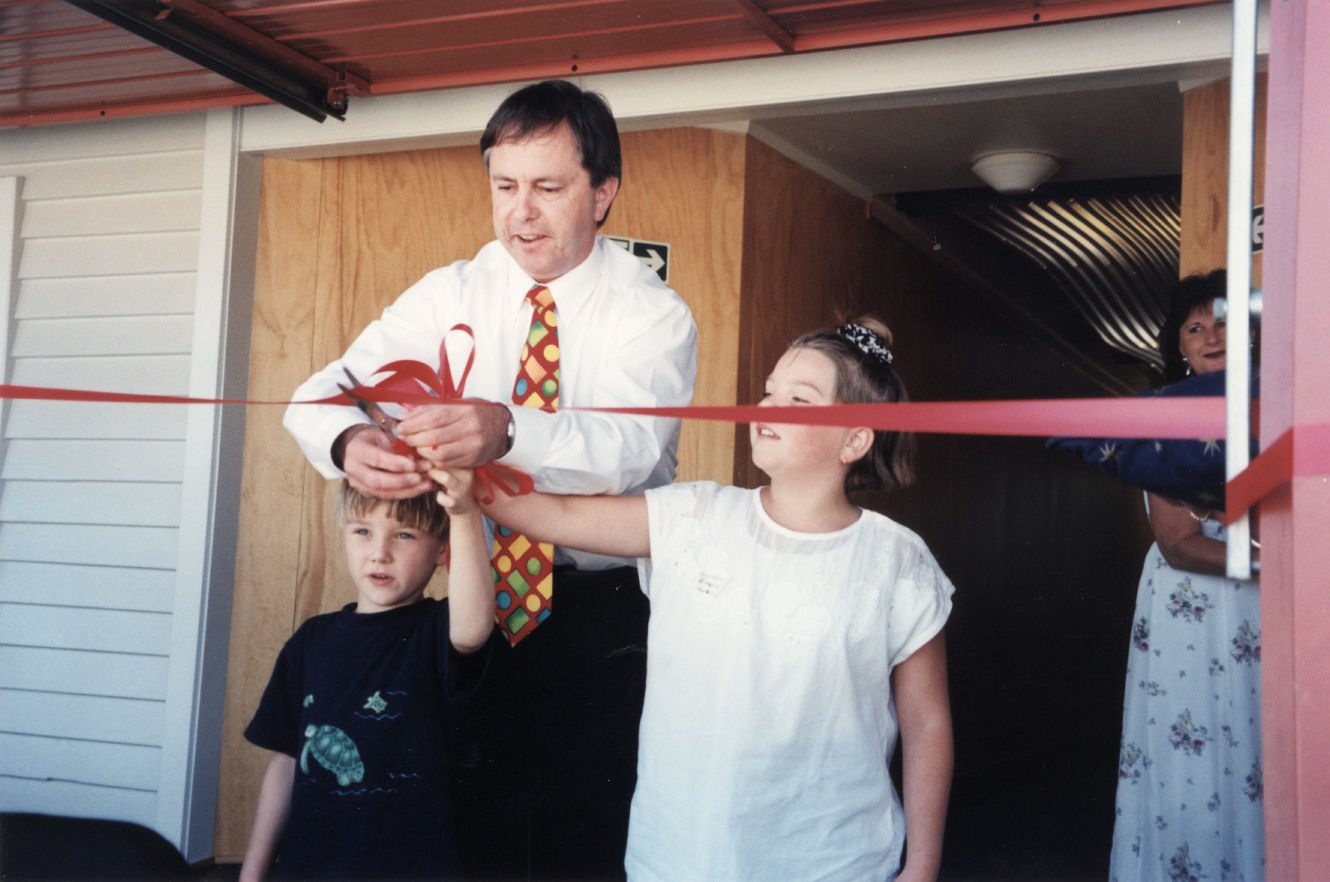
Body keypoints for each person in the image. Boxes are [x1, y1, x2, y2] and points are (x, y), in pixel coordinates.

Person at [282, 79, 698, 879]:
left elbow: (632, 449)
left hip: (596, 615)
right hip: (469, 606)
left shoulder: (652, 313)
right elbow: (319, 392)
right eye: (505, 188)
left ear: (603, 193)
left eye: (548, 188)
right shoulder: (454, 291)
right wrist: (347, 441)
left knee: (585, 836)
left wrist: (508, 427)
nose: (521, 213)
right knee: (465, 828)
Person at [445, 317, 954, 882]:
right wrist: (460, 468)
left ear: (855, 439)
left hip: (835, 862)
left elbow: (927, 724)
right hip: (681, 858)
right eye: (768, 391)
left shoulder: (897, 561)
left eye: (798, 399)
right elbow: (553, 515)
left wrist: (923, 866)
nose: (767, 406)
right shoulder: (693, 515)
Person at [238, 478, 493, 881]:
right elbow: (285, 763)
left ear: (442, 549)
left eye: (404, 534)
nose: (380, 554)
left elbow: (474, 628)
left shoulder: (437, 630)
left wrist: (463, 513)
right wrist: (251, 875)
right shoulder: (310, 641)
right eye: (362, 531)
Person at [1109, 270, 1264, 881]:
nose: (1211, 335)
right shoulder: (1164, 419)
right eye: (1195, 327)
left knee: (1255, 750)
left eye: (1222, 321)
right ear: (1179, 346)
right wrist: (1275, 565)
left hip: (1259, 606)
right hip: (1194, 610)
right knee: (1194, 756)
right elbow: (1178, 543)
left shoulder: (1276, 407)